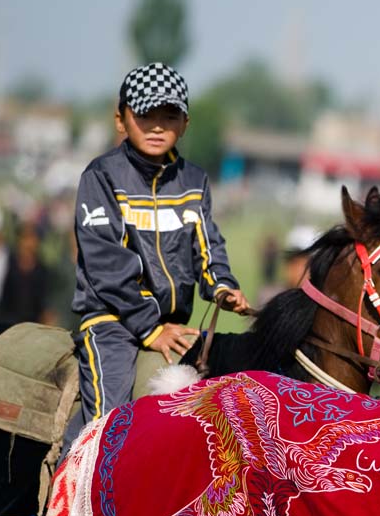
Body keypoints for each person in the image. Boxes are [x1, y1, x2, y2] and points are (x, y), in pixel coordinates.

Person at [71, 62, 249, 428]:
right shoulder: (101, 176)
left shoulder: (194, 180)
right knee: (109, 425)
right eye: (145, 114)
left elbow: (208, 245)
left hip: (174, 324)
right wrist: (150, 329)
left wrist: (222, 286)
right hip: (113, 323)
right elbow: (107, 266)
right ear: (120, 119)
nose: (157, 126)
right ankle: (72, 478)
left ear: (185, 124)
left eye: (169, 116)